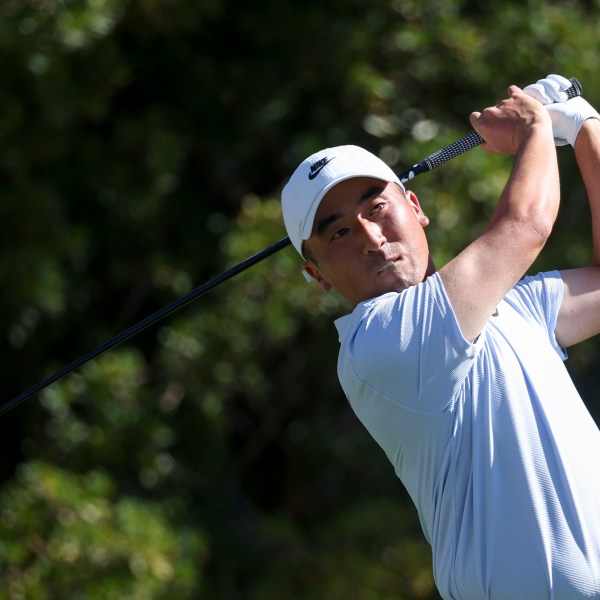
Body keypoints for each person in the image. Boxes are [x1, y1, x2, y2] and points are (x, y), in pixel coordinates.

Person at [280, 75, 600, 600]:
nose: (371, 238)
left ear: (416, 207)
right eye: (338, 231)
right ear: (317, 275)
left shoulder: (513, 307)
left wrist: (584, 125)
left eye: (376, 206)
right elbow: (526, 226)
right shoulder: (380, 345)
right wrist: (537, 127)